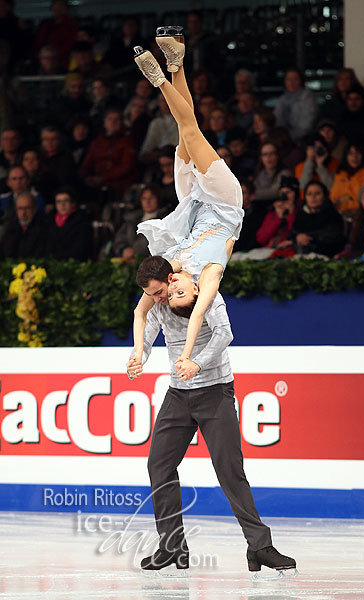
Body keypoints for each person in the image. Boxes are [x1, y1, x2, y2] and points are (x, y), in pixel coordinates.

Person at [126, 255, 297, 576]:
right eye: (152, 296)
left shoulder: (205, 293)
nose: (159, 300)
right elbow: (146, 336)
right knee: (159, 465)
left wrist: (198, 362)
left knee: (229, 470)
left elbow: (224, 333)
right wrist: (138, 357)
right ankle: (172, 545)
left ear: (172, 278)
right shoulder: (157, 304)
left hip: (215, 392)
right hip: (178, 396)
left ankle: (259, 546)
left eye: (160, 292)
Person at [132, 31, 244, 372]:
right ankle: (161, 80)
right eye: (182, 292)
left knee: (184, 130)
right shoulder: (209, 275)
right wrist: (187, 356)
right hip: (224, 202)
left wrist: (138, 352)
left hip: (193, 203)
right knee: (192, 130)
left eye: (171, 293)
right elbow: (197, 316)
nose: (174, 288)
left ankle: (176, 62)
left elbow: (140, 310)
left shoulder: (174, 270)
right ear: (196, 289)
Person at [113, 184, 169, 261]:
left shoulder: (164, 221)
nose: (147, 202)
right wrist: (123, 250)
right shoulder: (130, 219)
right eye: (144, 198)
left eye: (151, 198)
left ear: (158, 199)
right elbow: (119, 239)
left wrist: (137, 255)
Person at [291, 180, 345, 257]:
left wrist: (307, 239)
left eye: (317, 193)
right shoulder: (300, 215)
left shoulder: (333, 216)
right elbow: (292, 234)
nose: (313, 197)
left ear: (325, 196)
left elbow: (332, 240)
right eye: (309, 194)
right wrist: (297, 237)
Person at [328, 143, 364, 216]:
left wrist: (344, 199)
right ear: (346, 156)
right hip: (340, 215)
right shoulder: (340, 173)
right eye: (350, 153)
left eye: (357, 153)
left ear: (363, 155)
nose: (354, 156)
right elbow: (334, 198)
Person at [46, 186, 92, 260]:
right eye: (59, 201)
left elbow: (80, 249)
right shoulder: (50, 221)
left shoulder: (82, 222)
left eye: (66, 200)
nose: (62, 204)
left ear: (73, 203)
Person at [274, 67, 317, 143]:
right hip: (283, 140)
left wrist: (290, 137)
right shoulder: (282, 98)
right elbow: (277, 120)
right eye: (288, 79)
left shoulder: (307, 97)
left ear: (301, 80)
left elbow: (306, 125)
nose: (291, 82)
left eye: (295, 79)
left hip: (303, 140)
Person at [256, 176, 299, 250]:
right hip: (269, 252)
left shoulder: (300, 211)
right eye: (282, 193)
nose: (285, 196)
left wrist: (291, 214)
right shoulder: (273, 212)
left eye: (288, 192)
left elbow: (295, 236)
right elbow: (261, 239)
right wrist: (278, 218)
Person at [1, 191, 46, 259]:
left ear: (34, 209)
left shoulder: (44, 228)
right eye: (20, 208)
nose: (23, 213)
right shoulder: (10, 228)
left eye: (27, 208)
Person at [233, 179, 266, 252]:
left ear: (252, 196)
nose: (239, 196)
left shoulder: (260, 214)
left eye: (243, 193)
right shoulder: (229, 213)